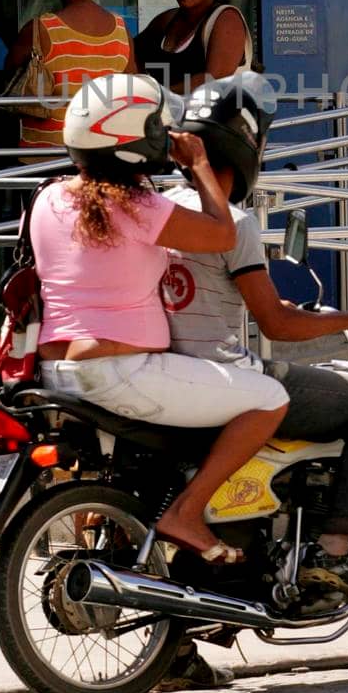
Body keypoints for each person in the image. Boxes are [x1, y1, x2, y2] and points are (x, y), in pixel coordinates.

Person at [161, 72, 348, 609]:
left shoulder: (158, 211)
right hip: (225, 375)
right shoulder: (235, 223)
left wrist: (287, 307)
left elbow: (248, 299)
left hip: (165, 374)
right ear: (247, 144)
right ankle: (334, 552)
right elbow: (277, 327)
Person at [31, 71, 289, 563]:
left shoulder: (48, 197)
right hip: (121, 371)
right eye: (157, 129)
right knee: (270, 400)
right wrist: (199, 166)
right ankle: (186, 514)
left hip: (58, 370)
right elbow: (222, 235)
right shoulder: (138, 205)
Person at [6, 0, 133, 154]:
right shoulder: (121, 29)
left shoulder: (39, 29)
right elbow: (133, 85)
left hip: (48, 158)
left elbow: (10, 72)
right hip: (103, 154)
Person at [135, 0, 252, 96]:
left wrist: (160, 96)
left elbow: (212, 79)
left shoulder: (226, 20)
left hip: (210, 117)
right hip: (164, 115)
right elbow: (131, 53)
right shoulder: (166, 20)